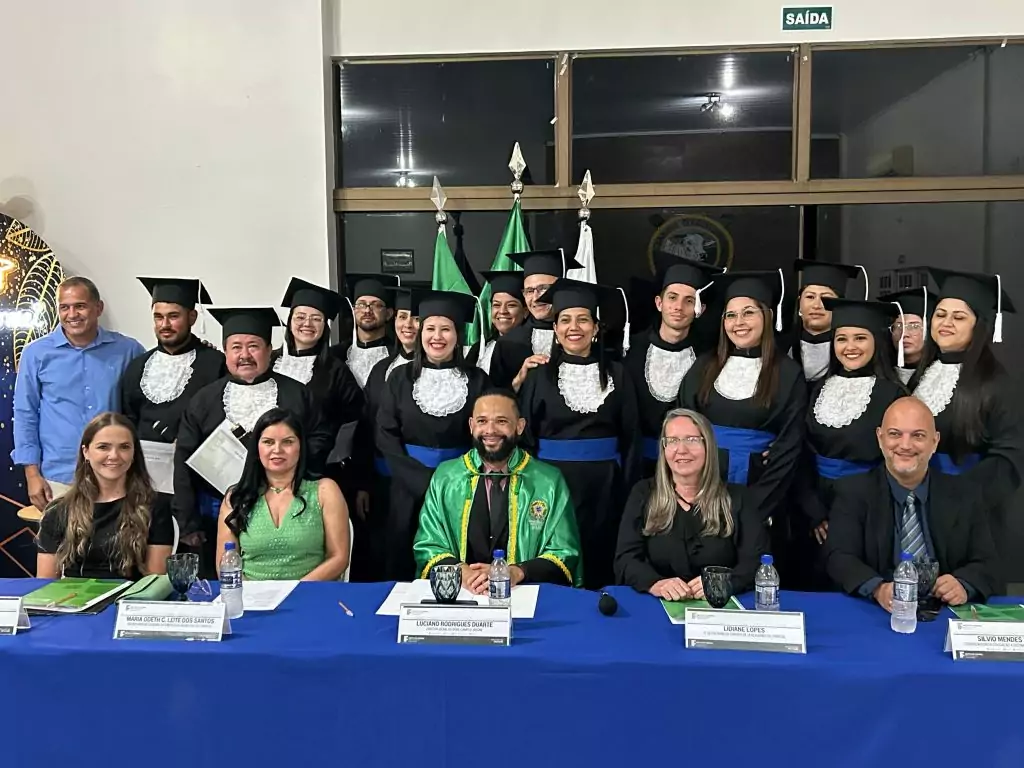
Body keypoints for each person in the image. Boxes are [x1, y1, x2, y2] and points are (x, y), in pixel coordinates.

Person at [173, 307, 329, 576]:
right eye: (236, 347)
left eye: (253, 346)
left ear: (270, 350)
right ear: (225, 352)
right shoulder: (204, 400)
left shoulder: (298, 394)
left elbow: (320, 438)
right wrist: (188, 522)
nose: (244, 355)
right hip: (216, 513)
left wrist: (280, 470)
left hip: (287, 509)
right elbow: (184, 459)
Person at [517, 279, 641, 590]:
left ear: (596, 327)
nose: (575, 327)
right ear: (555, 328)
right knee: (554, 559)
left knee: (600, 560)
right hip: (552, 485)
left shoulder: (618, 374)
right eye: (565, 320)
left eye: (583, 319)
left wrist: (627, 488)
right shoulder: (538, 376)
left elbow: (631, 437)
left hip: (606, 487)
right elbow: (525, 438)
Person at [826, 397, 1001, 608]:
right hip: (877, 612)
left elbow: (987, 563)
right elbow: (838, 558)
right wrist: (878, 589)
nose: (905, 445)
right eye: (895, 434)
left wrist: (963, 584)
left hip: (943, 612)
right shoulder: (852, 491)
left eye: (918, 435)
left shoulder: (965, 493)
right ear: (880, 439)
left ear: (934, 442)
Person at [909, 268, 1021, 579]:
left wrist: (958, 496)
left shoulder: (997, 385)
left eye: (959, 317)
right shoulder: (924, 374)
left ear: (980, 326)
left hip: (968, 513)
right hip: (914, 504)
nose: (945, 323)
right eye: (940, 314)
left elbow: (1010, 457)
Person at [678, 271, 807, 540]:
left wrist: (754, 508)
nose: (739, 323)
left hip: (762, 496)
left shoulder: (787, 373)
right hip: (702, 492)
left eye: (748, 313)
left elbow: (789, 447)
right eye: (731, 315)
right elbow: (683, 426)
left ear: (767, 316)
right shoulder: (704, 366)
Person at [414, 389, 582, 590]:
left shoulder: (548, 481)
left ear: (519, 426)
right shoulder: (447, 477)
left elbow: (564, 551)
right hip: (462, 595)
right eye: (482, 421)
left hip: (524, 593)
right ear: (471, 425)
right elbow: (428, 544)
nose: (490, 430)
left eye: (501, 421)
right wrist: (462, 572)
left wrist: (516, 572)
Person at [377, 291, 491, 580]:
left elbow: (486, 435)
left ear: (457, 334)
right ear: (420, 332)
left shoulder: (478, 380)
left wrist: (455, 480)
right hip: (407, 486)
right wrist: (420, 481)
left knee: (462, 558)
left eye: (446, 329)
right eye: (430, 328)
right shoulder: (399, 379)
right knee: (405, 559)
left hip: (463, 488)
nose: (437, 337)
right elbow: (386, 435)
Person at [795, 298, 906, 590]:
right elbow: (802, 452)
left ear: (877, 342)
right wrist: (814, 512)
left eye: (860, 338)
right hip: (815, 506)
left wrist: (848, 515)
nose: (850, 346)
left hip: (867, 508)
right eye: (841, 338)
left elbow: (895, 461)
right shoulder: (819, 388)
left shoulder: (893, 395)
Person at [14, 277, 144, 510]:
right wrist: (32, 474)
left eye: (80, 306)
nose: (72, 314)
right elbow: (25, 414)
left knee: (116, 546)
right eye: (65, 307)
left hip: (115, 474)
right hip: (59, 477)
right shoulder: (36, 354)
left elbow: (151, 399)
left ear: (98, 308)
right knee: (60, 546)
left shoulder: (128, 350)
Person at [614, 408, 768, 598]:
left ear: (708, 446)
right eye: (673, 441)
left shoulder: (739, 497)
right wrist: (655, 583)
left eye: (691, 439)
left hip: (719, 608)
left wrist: (725, 582)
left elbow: (757, 563)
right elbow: (626, 558)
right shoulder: (643, 493)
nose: (681, 449)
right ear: (664, 449)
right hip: (656, 605)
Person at [217, 408, 350, 581]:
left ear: (301, 446)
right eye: (268, 442)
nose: (277, 450)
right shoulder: (236, 497)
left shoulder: (325, 490)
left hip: (308, 594)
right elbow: (224, 565)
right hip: (252, 598)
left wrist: (292, 591)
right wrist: (255, 596)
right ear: (257, 449)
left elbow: (338, 558)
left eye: (287, 442)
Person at [36, 412, 173, 580]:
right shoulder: (58, 511)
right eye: (103, 447)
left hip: (130, 602)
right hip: (74, 602)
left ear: (134, 453)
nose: (114, 455)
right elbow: (45, 584)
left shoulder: (156, 506)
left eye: (124, 447)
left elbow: (154, 581)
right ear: (86, 452)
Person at [623, 254, 722, 477]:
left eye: (689, 301)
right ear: (659, 303)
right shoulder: (631, 352)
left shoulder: (709, 358)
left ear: (700, 309)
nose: (678, 307)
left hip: (692, 468)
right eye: (672, 298)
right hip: (639, 466)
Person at [351, 286, 419, 581]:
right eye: (403, 317)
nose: (408, 325)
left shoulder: (459, 374)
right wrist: (363, 483)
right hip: (384, 482)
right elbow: (367, 429)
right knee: (387, 556)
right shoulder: (382, 369)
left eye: (417, 319)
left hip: (429, 479)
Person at [273, 278, 363, 476]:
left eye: (316, 318)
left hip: (319, 468)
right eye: (300, 317)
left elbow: (352, 420)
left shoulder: (336, 370)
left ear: (325, 326)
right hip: (269, 465)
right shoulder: (270, 362)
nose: (307, 323)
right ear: (289, 322)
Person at [121, 277, 226, 445]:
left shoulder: (216, 364)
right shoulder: (138, 366)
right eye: (158, 317)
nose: (165, 325)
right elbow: (128, 419)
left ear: (192, 317)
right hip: (143, 465)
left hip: (192, 465)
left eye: (173, 316)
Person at [488, 249, 583, 389]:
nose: (536, 298)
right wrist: (518, 380)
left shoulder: (581, 336)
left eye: (544, 288)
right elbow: (495, 400)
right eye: (529, 291)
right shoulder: (508, 343)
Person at [788, 260, 867, 382]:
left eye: (826, 298)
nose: (816, 305)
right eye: (810, 297)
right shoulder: (780, 348)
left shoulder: (852, 352)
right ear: (799, 303)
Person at [331, 273, 398, 388]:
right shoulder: (335, 356)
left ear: (388, 314)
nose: (367, 310)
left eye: (376, 305)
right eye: (361, 304)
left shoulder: (398, 356)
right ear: (353, 311)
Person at [474, 271, 527, 375]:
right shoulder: (479, 349)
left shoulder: (531, 347)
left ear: (525, 311)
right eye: (496, 305)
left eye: (511, 305)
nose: (502, 311)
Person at [880, 286, 934, 385]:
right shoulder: (880, 373)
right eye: (899, 326)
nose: (904, 334)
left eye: (914, 326)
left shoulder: (939, 373)